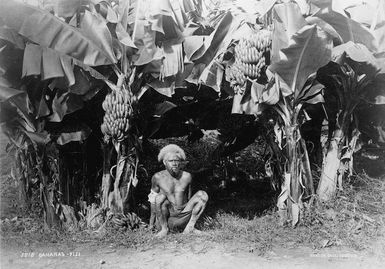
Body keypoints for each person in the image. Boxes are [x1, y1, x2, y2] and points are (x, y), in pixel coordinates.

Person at [148, 144, 208, 237]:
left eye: (177, 160)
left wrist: (187, 210)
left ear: (180, 162)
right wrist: (151, 224)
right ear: (164, 162)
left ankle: (190, 227)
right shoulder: (157, 177)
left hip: (183, 214)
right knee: (160, 197)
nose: (174, 163)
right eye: (171, 161)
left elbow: (188, 196)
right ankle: (164, 229)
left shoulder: (187, 176)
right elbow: (153, 200)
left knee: (202, 195)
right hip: (167, 218)